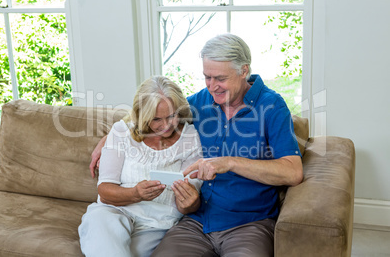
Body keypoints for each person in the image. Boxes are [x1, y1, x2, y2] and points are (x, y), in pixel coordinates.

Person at [90, 33, 303, 257]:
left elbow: (293, 171)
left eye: (220, 78)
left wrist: (230, 163)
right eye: (206, 77)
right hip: (195, 221)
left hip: (248, 224)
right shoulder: (201, 102)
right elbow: (154, 110)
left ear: (244, 71)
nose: (212, 86)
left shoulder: (272, 106)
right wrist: (112, 136)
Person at [79, 76, 203, 257]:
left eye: (172, 115)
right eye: (156, 119)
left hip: (157, 223)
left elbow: (186, 205)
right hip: (113, 211)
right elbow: (105, 191)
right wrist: (135, 193)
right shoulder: (121, 132)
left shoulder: (191, 138)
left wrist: (190, 203)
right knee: (102, 231)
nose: (166, 125)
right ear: (142, 115)